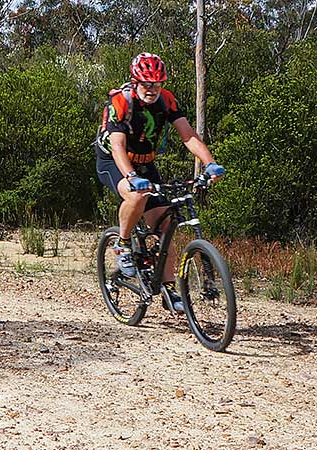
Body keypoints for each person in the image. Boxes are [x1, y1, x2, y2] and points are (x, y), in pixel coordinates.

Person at [95, 53, 225, 312]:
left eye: (157, 83)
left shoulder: (166, 100)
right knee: (137, 196)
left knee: (166, 226)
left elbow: (188, 136)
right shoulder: (121, 102)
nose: (152, 89)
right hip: (113, 161)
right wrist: (132, 177)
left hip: (145, 162)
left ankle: (168, 288)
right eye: (146, 83)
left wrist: (210, 163)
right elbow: (118, 146)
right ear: (135, 82)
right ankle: (122, 244)